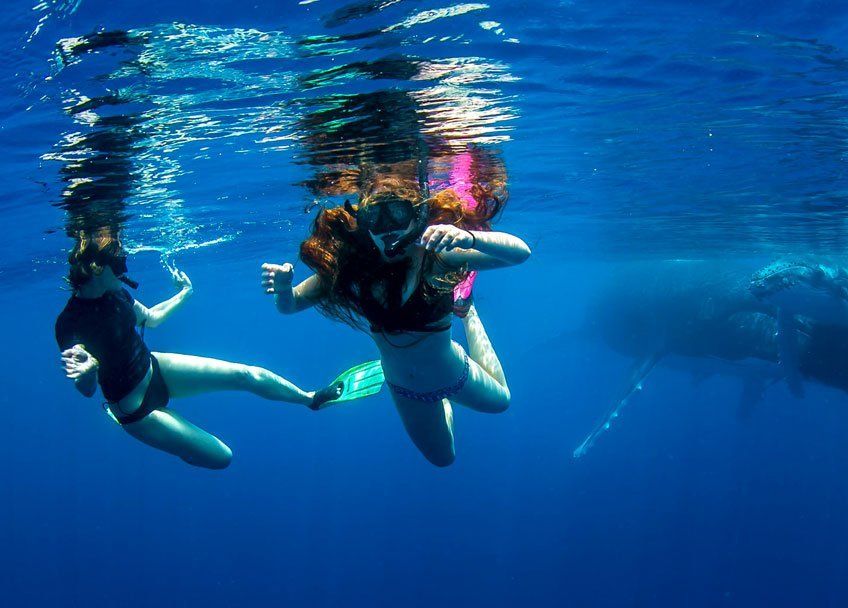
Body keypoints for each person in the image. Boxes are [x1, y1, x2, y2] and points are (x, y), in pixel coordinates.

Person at [57, 228, 382, 469]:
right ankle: (126, 421)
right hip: (134, 408)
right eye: (120, 261)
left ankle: (310, 398)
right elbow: (85, 389)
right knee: (220, 457)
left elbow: (152, 319)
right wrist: (87, 374)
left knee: (245, 375)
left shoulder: (118, 295)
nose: (126, 268)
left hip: (155, 367)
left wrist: (185, 292)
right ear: (98, 268)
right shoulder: (70, 324)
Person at [261, 174, 530, 466]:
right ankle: (443, 403)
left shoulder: (438, 257)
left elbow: (520, 254)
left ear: (416, 215)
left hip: (453, 374)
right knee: (443, 459)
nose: (387, 227)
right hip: (406, 390)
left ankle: (468, 312)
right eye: (376, 216)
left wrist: (471, 238)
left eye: (397, 213)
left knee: (502, 401)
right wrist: (285, 289)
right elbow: (290, 306)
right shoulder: (352, 268)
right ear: (362, 221)